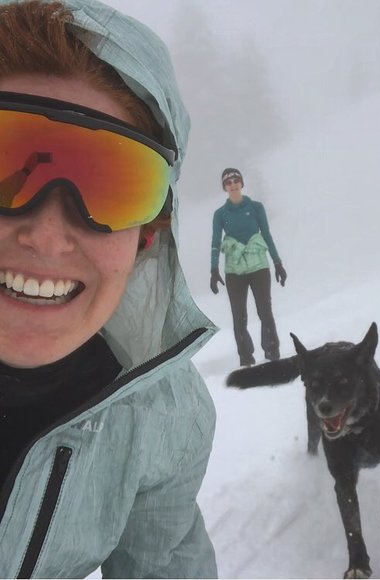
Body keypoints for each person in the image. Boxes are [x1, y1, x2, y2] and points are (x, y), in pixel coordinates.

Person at [0, 1, 218, 578]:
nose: (48, 237)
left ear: (147, 237)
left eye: (112, 190)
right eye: (4, 166)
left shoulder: (160, 417)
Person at [211, 168, 287, 367]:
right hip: (234, 271)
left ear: (242, 183)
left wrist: (277, 263)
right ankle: (245, 357)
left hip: (259, 267)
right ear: (224, 187)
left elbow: (266, 235)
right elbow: (215, 242)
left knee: (265, 311)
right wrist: (213, 269)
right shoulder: (220, 214)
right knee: (239, 317)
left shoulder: (256, 207)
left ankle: (272, 352)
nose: (233, 184)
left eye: (236, 180)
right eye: (228, 182)